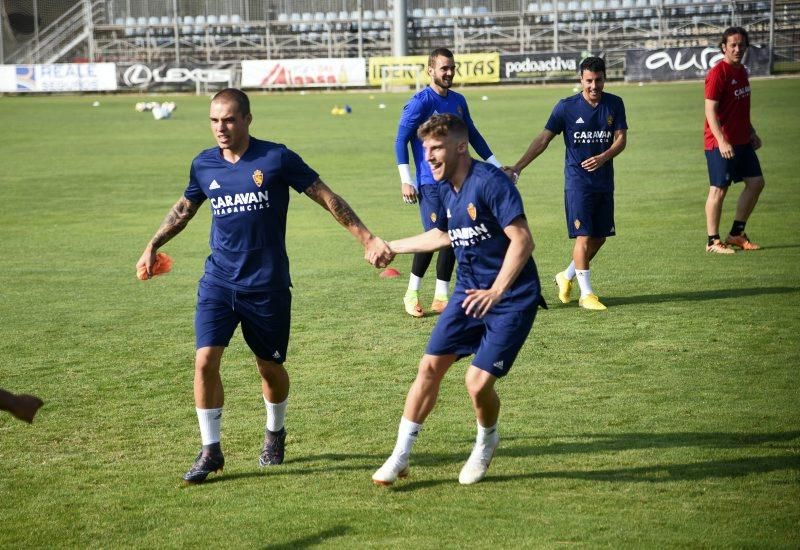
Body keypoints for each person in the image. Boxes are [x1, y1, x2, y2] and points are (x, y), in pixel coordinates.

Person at [136, 88, 392, 484]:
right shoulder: (203, 164)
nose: (220, 128)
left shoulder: (276, 158)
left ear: (247, 119)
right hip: (218, 281)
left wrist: (367, 237)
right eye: (214, 120)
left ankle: (275, 431)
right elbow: (185, 208)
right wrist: (152, 244)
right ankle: (210, 450)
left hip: (267, 286)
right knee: (204, 361)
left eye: (229, 120)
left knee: (269, 367)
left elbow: (327, 198)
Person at [372, 114, 546, 486]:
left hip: (511, 296)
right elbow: (443, 236)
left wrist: (497, 291)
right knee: (428, 368)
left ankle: (486, 442)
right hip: (469, 292)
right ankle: (400, 455)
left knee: (476, 383)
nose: (429, 157)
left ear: (460, 146)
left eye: (436, 147)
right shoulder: (446, 187)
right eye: (425, 150)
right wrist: (392, 247)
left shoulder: (490, 182)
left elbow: (522, 240)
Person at [505, 56, 627, 311]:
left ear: (605, 78)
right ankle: (587, 294)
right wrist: (518, 167)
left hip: (604, 181)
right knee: (583, 236)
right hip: (578, 182)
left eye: (599, 80)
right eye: (589, 81)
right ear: (580, 80)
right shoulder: (566, 108)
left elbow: (621, 140)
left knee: (600, 237)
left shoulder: (615, 104)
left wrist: (604, 157)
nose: (594, 86)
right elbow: (543, 140)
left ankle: (567, 276)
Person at [395, 47, 507, 318]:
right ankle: (411, 292)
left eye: (451, 68)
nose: (448, 72)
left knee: (454, 235)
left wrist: (495, 164)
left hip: (457, 181)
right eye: (443, 68)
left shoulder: (458, 101)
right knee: (434, 236)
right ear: (430, 70)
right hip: (429, 181)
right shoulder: (420, 102)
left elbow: (473, 135)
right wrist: (406, 180)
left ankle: (441, 296)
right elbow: (400, 140)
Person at [703, 26, 765, 254]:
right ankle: (712, 240)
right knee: (719, 189)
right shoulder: (719, 73)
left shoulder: (742, 71)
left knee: (756, 182)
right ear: (724, 47)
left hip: (742, 140)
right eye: (733, 45)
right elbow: (710, 110)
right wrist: (721, 140)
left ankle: (737, 233)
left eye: (741, 45)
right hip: (719, 142)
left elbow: (739, 109)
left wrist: (750, 131)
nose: (737, 49)